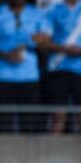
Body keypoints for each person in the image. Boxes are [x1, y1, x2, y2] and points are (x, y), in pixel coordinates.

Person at [39, 0, 81, 134]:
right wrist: (66, 49)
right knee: (58, 116)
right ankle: (52, 153)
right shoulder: (53, 9)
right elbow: (44, 43)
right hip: (58, 68)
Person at [0, 0, 47, 133]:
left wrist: (36, 42)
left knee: (29, 125)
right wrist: (6, 55)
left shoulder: (36, 14)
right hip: (4, 77)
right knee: (4, 126)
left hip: (30, 77)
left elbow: (45, 43)